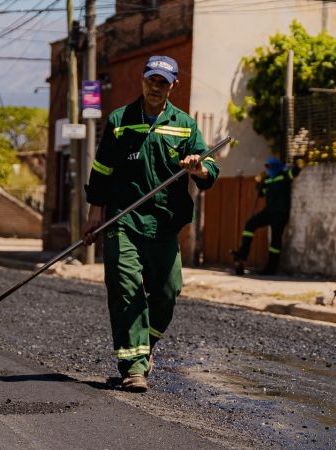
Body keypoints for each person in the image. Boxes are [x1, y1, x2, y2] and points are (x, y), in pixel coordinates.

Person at [82, 55, 220, 392]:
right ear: (143, 80)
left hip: (163, 222)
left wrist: (197, 168)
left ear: (174, 85)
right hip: (122, 219)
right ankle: (133, 368)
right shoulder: (119, 120)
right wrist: (93, 213)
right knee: (126, 288)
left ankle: (144, 346)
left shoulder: (185, 126)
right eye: (151, 80)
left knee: (168, 292)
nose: (155, 87)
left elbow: (210, 170)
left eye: (163, 81)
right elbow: (101, 170)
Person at [232, 156, 304, 276]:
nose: (268, 169)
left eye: (270, 167)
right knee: (250, 224)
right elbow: (261, 193)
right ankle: (242, 254)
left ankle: (271, 269)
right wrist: (259, 182)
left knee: (275, 240)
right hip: (269, 212)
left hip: (280, 213)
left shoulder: (284, 175)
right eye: (267, 167)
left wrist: (299, 162)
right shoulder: (268, 180)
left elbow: (296, 171)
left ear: (276, 167)